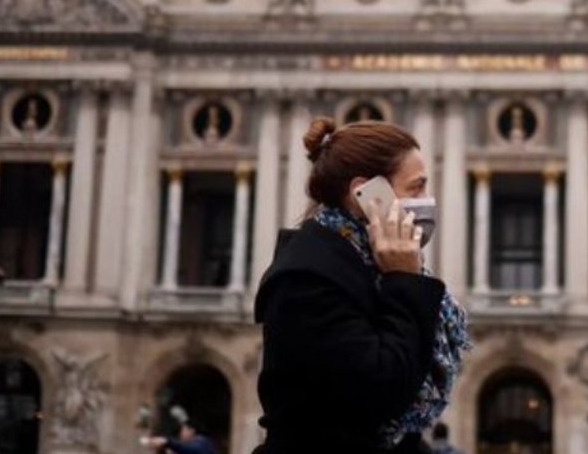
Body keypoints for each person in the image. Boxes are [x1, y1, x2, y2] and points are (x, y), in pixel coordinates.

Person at [254, 117, 472, 454]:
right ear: (367, 194)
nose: (427, 200)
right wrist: (405, 281)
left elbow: (398, 436)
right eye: (416, 187)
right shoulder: (306, 279)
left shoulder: (365, 264)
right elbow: (383, 392)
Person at [143, 421, 217, 454]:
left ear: (191, 431)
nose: (181, 434)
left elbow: (188, 450)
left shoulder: (202, 443)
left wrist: (167, 441)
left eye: (183, 430)